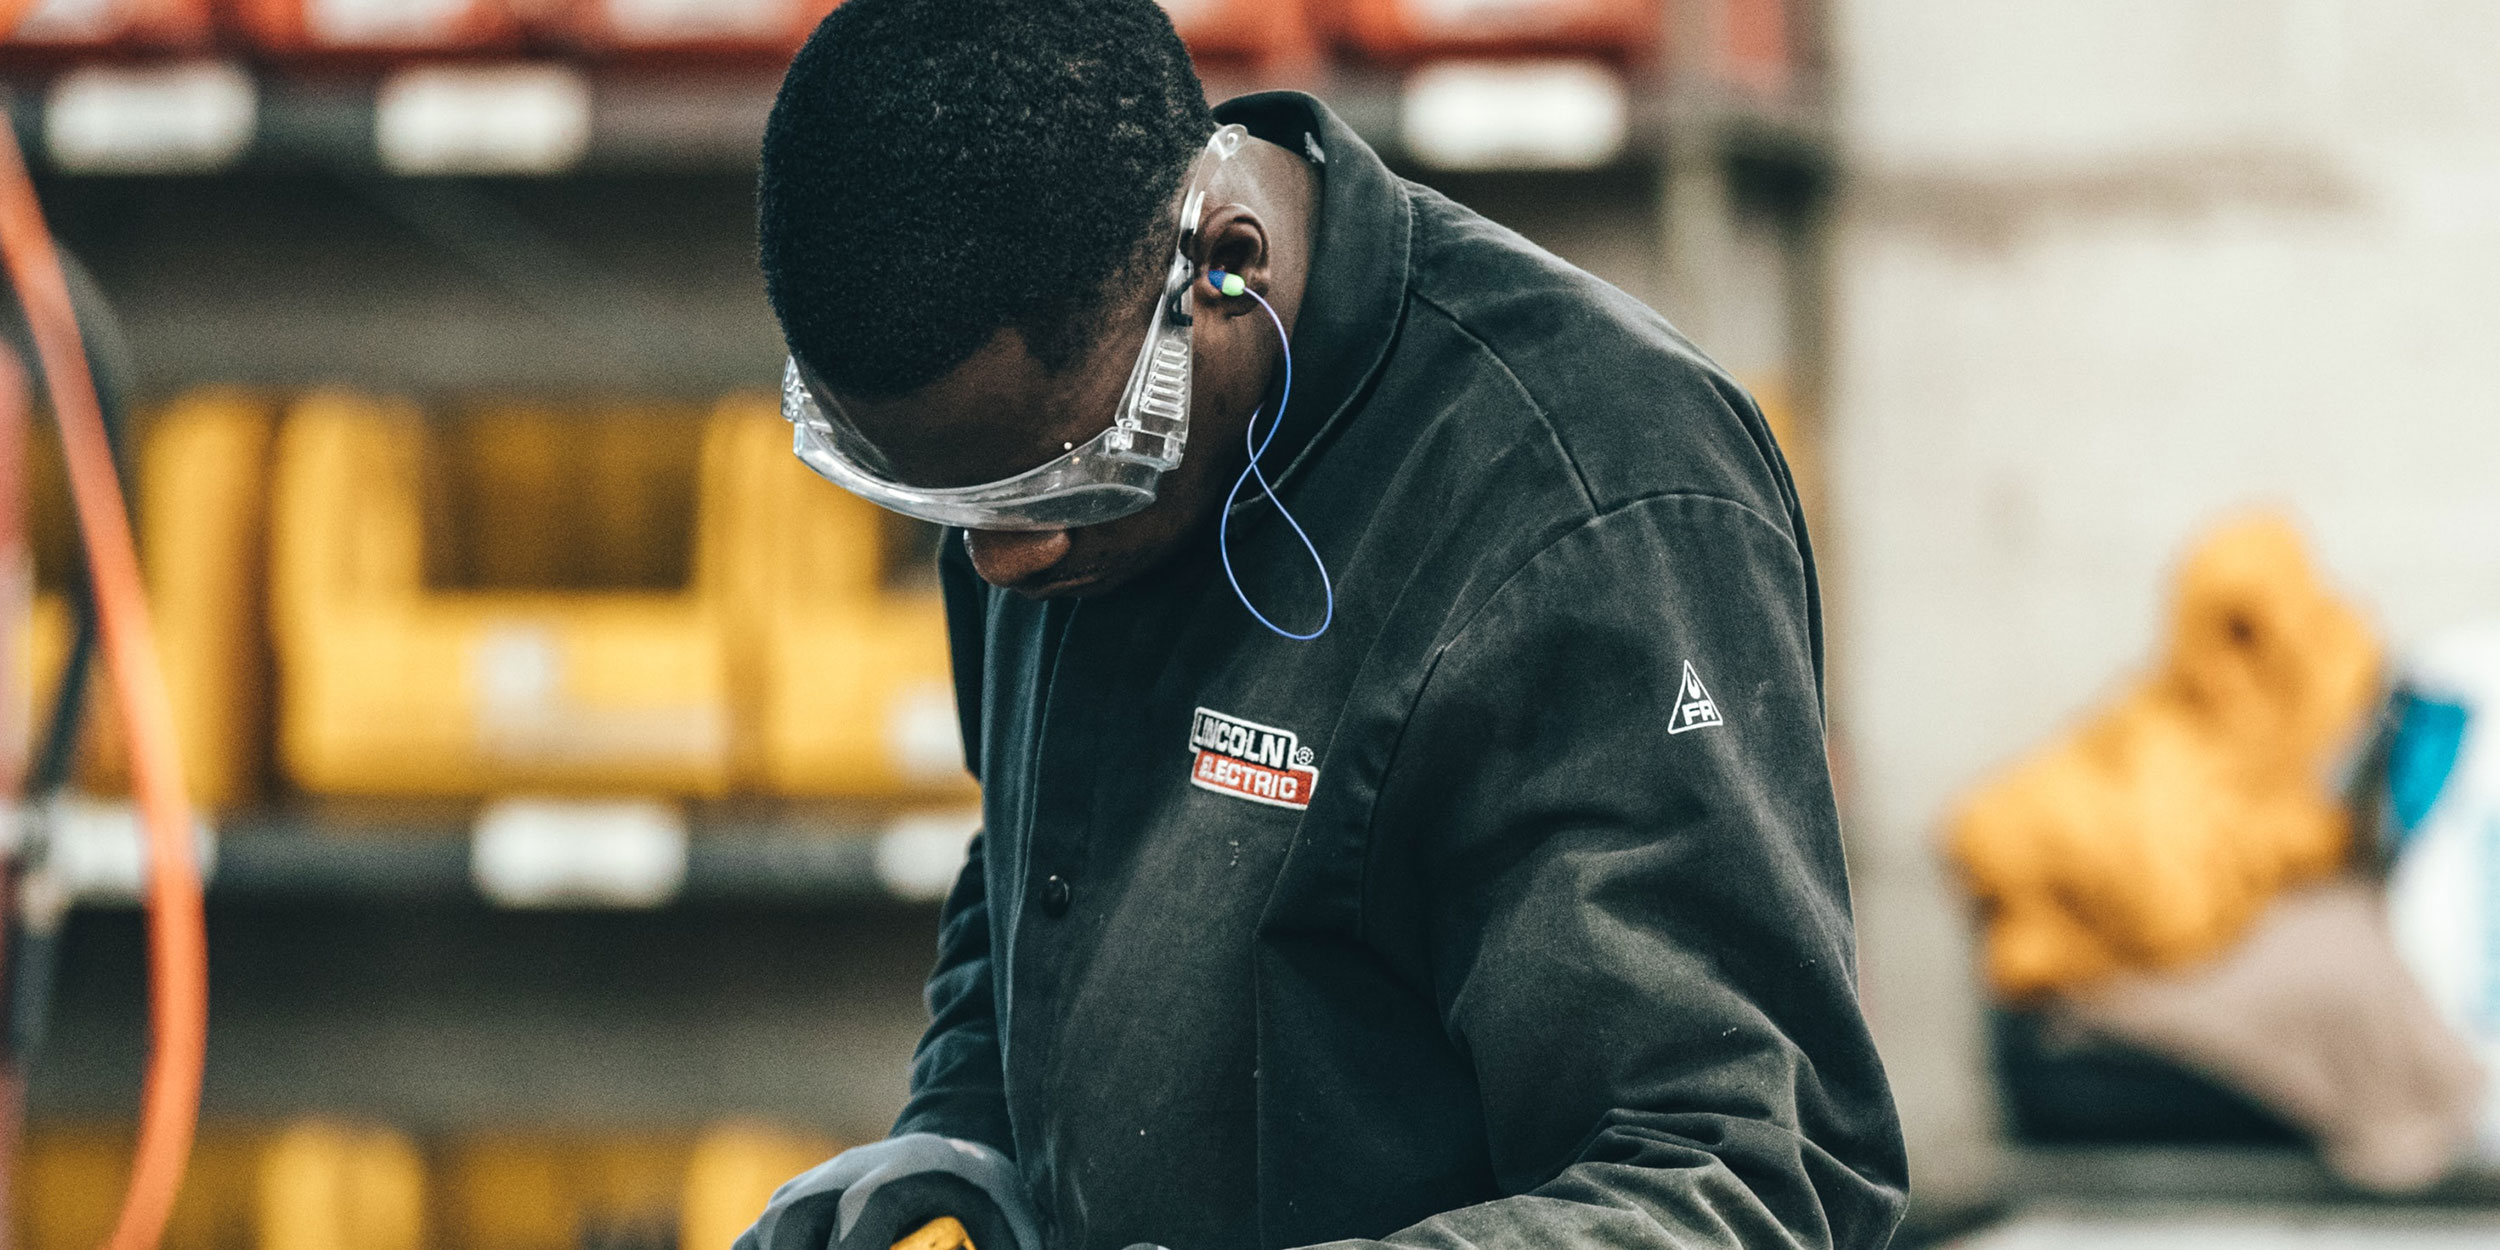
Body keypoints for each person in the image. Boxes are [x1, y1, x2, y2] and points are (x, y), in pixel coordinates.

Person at [738, 1, 1906, 1247]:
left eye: (1056, 486)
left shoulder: (1593, 499)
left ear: (1223, 263)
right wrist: (970, 1128)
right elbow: (1042, 860)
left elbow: (1748, 1179)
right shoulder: (1040, 431)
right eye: (954, 505)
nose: (1003, 557)